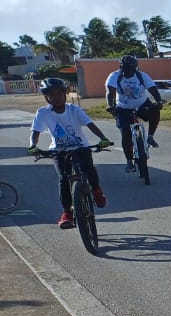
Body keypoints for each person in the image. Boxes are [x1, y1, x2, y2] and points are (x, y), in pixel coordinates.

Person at [27, 77, 111, 228]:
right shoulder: (43, 113)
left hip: (80, 147)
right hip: (58, 150)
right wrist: (33, 146)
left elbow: (90, 124)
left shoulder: (74, 109)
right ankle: (67, 212)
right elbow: (35, 132)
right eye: (51, 94)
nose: (56, 97)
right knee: (63, 179)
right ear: (46, 97)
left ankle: (97, 191)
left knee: (89, 169)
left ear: (64, 94)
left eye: (59, 93)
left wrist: (103, 138)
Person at [104, 54, 163, 173]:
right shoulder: (115, 76)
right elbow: (110, 92)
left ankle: (150, 137)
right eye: (126, 68)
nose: (129, 71)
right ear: (121, 67)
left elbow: (153, 89)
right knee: (125, 134)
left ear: (136, 68)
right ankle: (129, 162)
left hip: (142, 104)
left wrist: (158, 101)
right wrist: (110, 105)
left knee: (155, 110)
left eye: (132, 69)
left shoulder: (142, 76)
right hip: (123, 107)